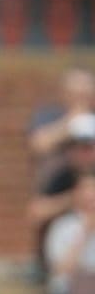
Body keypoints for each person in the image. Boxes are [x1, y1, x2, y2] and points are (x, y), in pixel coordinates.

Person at [29, 112, 95, 272]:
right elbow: (36, 212)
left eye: (87, 147)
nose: (82, 153)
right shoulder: (62, 175)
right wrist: (74, 199)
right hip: (65, 244)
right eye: (75, 146)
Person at [44, 173, 95, 294]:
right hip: (70, 293)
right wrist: (85, 232)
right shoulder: (63, 226)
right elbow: (61, 270)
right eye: (86, 189)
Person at [28, 67, 95, 160]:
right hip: (58, 172)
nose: (80, 100)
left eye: (84, 95)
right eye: (75, 94)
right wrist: (71, 122)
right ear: (64, 93)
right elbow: (39, 145)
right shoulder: (49, 114)